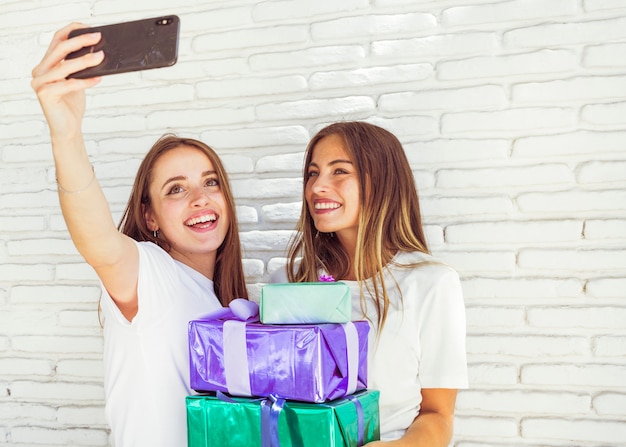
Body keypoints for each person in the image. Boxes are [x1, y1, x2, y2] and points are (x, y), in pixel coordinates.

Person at [31, 24, 248, 446]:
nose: (201, 199)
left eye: (210, 182)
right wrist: (66, 132)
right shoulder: (152, 274)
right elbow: (99, 244)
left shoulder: (223, 301)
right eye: (176, 189)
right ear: (149, 217)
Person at [273, 121, 468, 446]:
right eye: (312, 173)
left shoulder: (431, 284)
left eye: (339, 171)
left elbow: (438, 415)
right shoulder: (287, 283)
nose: (317, 187)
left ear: (381, 182)